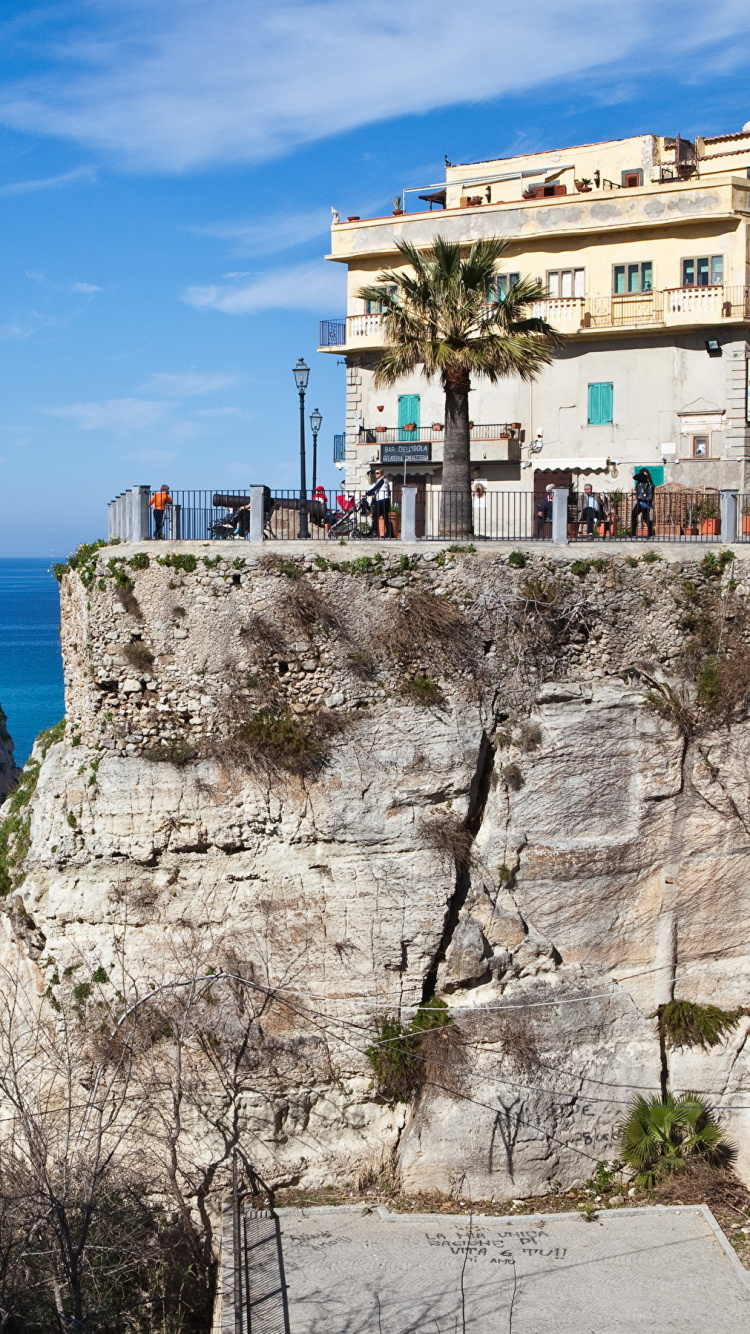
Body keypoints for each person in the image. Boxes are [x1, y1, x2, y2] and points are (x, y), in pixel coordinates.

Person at [367, 468, 392, 538]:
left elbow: (376, 488)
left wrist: (367, 493)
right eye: (375, 473)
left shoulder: (382, 480)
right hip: (384, 500)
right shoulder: (383, 480)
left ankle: (375, 532)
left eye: (377, 473)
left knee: (376, 516)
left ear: (381, 473)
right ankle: (389, 533)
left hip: (382, 500)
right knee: (385, 517)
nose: (376, 475)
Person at [631, 469, 655, 538]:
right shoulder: (649, 481)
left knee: (634, 515)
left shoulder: (644, 480)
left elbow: (635, 477)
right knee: (646, 517)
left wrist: (642, 473)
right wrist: (645, 474)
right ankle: (650, 534)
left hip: (641, 502)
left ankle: (633, 534)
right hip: (646, 503)